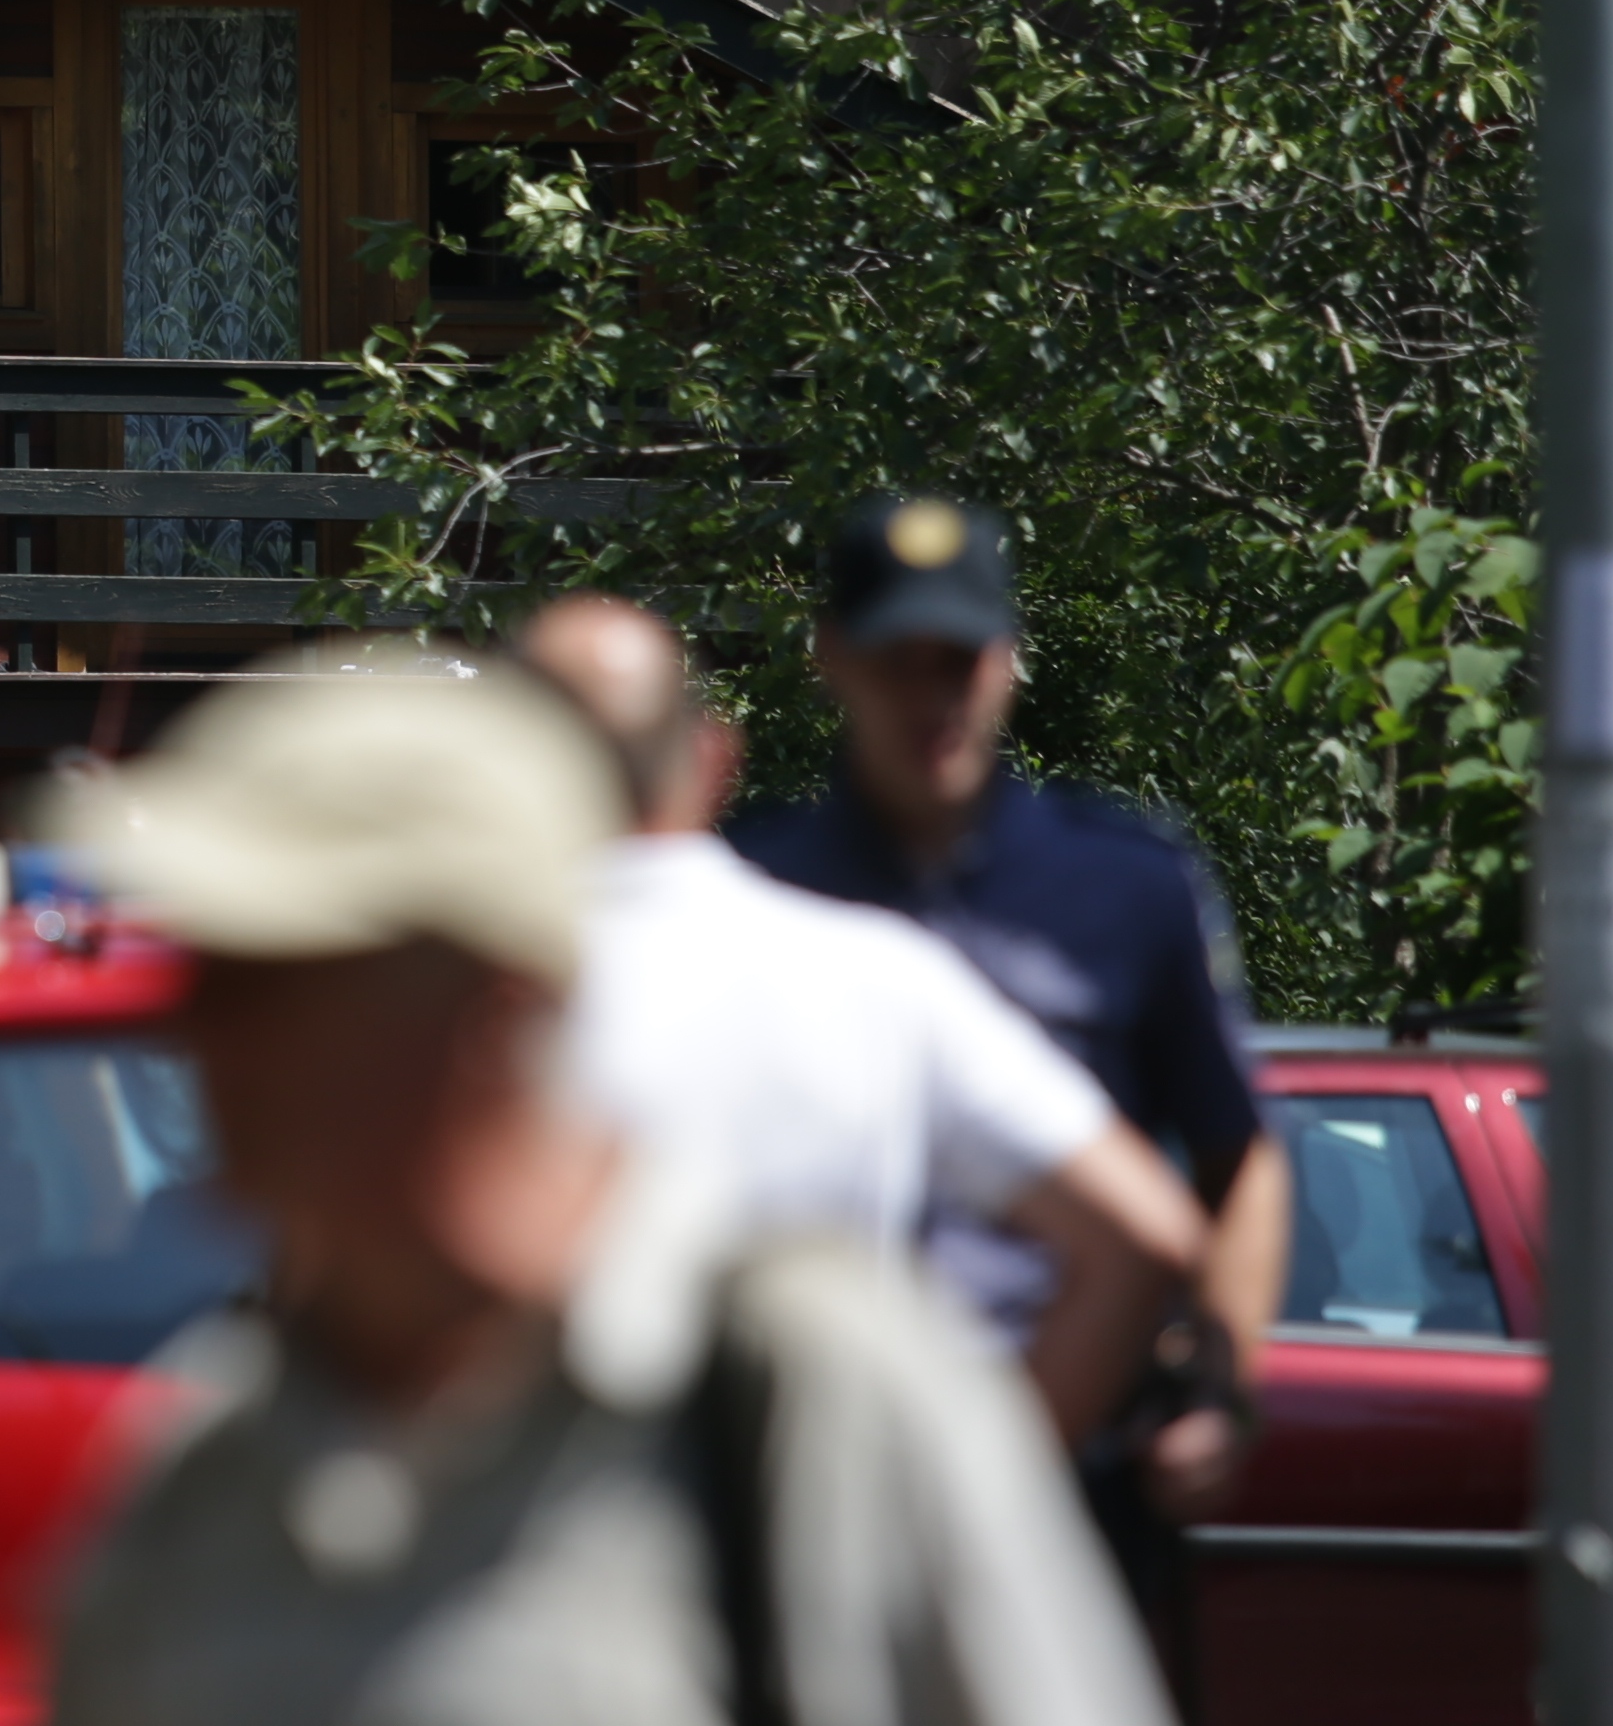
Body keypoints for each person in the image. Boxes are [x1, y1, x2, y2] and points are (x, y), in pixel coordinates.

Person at [41, 639, 1168, 1726]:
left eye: (285, 974)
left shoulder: (803, 1395)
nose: (202, 1031)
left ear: (497, 1009)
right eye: (213, 969)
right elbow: (1135, 1231)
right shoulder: (194, 1480)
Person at [730, 494, 1290, 1657]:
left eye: (958, 660)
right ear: (832, 658)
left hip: (1068, 1465)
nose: (930, 696)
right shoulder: (749, 890)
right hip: (809, 1462)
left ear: (1008, 662)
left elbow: (1239, 1153)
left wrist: (1220, 1385)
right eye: (897, 660)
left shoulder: (1126, 883)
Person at [511, 592, 1211, 1443]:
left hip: (549, 1507)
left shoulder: (439, 994)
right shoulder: (880, 974)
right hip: (817, 1492)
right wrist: (983, 1484)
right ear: (712, 758)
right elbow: (1142, 1236)